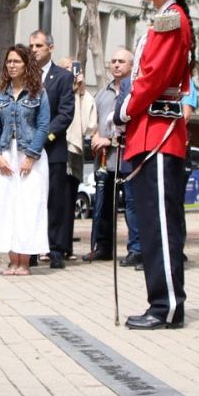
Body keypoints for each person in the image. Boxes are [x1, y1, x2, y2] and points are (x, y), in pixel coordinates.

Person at [117, 0, 199, 329]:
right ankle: (160, 302)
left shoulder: (172, 20)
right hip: (150, 130)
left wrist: (123, 110)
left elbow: (150, 79)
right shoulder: (165, 18)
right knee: (153, 224)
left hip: (159, 130)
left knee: (163, 226)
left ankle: (166, 306)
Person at [0, 44, 51, 276]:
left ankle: (24, 262)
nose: (11, 65)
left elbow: (43, 126)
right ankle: (12, 261)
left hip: (30, 155)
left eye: (16, 61)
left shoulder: (38, 93)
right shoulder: (0, 93)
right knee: (5, 206)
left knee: (28, 207)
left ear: (26, 64)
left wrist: (31, 156)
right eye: (9, 61)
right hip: (5, 155)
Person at [27, 30, 74, 269]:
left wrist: (42, 138)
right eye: (31, 46)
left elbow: (65, 114)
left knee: (54, 201)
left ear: (50, 48)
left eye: (39, 46)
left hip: (52, 148)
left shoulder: (63, 77)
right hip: (26, 150)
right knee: (30, 200)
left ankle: (55, 248)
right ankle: (29, 250)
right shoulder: (24, 75)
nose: (34, 50)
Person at [84, 48, 132, 262]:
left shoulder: (134, 92)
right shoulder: (102, 93)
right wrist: (95, 135)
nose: (116, 65)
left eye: (121, 61)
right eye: (113, 61)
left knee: (131, 207)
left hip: (127, 161)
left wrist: (110, 140)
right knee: (103, 207)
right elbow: (93, 121)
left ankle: (135, 250)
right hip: (104, 162)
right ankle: (103, 247)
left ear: (131, 65)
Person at [65, 64, 95, 257]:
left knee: (69, 202)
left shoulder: (83, 96)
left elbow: (89, 125)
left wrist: (81, 91)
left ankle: (65, 245)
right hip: (56, 152)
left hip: (73, 157)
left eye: (73, 69)